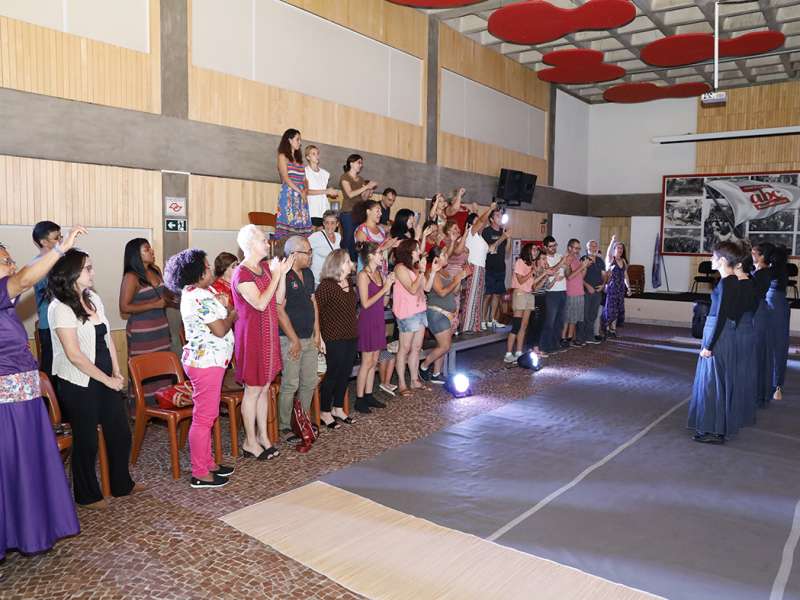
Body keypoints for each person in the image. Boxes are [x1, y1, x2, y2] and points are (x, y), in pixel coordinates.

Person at [0, 227, 84, 560]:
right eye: (5, 260)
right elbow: (22, 280)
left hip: (22, 399)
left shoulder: (6, 305)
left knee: (26, 469)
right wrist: (60, 249)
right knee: (12, 470)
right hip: (7, 405)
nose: (12, 264)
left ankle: (29, 532)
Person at [49, 248, 137, 507]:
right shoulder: (60, 307)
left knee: (120, 432)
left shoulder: (94, 299)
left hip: (104, 376)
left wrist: (117, 371)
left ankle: (122, 484)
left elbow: (107, 335)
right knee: (86, 439)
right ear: (71, 273)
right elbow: (75, 355)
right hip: (78, 382)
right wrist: (106, 380)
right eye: (87, 268)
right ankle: (87, 495)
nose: (92, 272)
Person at [165, 249, 236, 488]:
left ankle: (208, 463)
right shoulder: (198, 296)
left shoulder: (199, 292)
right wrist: (232, 315)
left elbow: (218, 312)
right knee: (204, 418)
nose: (210, 270)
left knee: (208, 415)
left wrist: (223, 307)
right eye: (206, 267)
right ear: (196, 273)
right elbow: (219, 329)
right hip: (206, 363)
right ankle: (200, 472)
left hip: (210, 361)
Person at [232, 225, 293, 460]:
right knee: (253, 389)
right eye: (263, 241)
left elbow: (277, 300)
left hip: (268, 335)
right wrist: (276, 275)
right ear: (249, 245)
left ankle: (263, 437)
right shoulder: (242, 273)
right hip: (252, 337)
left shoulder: (266, 268)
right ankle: (249, 441)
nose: (268, 244)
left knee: (265, 388)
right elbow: (258, 303)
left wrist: (283, 275)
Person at [688, 241, 743, 444]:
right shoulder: (730, 281)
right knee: (716, 383)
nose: (710, 259)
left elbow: (721, 316)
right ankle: (715, 428)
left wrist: (709, 345)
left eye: (713, 256)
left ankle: (713, 430)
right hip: (722, 333)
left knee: (712, 384)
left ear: (721, 260)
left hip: (718, 336)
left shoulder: (728, 282)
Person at [119, 238, 175, 407]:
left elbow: (165, 297)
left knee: (162, 368)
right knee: (145, 370)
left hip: (160, 329)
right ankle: (142, 410)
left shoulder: (156, 270)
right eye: (146, 249)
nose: (152, 251)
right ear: (136, 254)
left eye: (151, 248)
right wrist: (154, 304)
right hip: (142, 333)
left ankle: (162, 404)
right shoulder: (131, 277)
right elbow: (124, 307)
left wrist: (179, 299)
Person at [276, 236, 322, 437]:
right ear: (294, 254)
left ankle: (301, 419)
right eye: (308, 252)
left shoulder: (309, 274)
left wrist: (317, 333)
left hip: (308, 337)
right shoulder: (283, 276)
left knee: (309, 381)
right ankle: (285, 425)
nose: (311, 256)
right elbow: (279, 310)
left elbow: (313, 303)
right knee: (290, 383)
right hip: (289, 339)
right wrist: (293, 339)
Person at [315, 249, 358, 426]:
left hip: (350, 335)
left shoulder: (349, 282)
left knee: (345, 372)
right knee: (333, 373)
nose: (351, 264)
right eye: (347, 261)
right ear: (338, 264)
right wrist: (319, 337)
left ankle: (338, 407)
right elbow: (315, 311)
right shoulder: (326, 286)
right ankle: (325, 411)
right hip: (333, 336)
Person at [393, 239, 440, 395]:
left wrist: (432, 271)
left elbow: (426, 287)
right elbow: (412, 289)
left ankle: (414, 380)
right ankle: (401, 383)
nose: (420, 250)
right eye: (417, 248)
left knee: (416, 347)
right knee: (404, 348)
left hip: (420, 310)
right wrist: (420, 271)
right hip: (407, 312)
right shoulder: (400, 268)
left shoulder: (416, 268)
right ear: (409, 251)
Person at [355, 242, 394, 412]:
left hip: (378, 319)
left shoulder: (379, 273)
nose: (382, 256)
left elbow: (384, 302)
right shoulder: (363, 275)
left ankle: (369, 394)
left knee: (374, 360)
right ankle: (359, 398)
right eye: (379, 253)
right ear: (370, 256)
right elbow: (365, 303)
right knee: (366, 361)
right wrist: (384, 287)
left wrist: (388, 287)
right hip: (367, 320)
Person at [420, 246, 468, 383]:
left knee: (442, 345)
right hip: (437, 313)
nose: (447, 257)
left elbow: (455, 292)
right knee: (445, 346)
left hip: (448, 314)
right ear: (436, 258)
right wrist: (455, 280)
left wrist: (460, 279)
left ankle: (436, 373)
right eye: (444, 255)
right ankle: (423, 366)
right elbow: (441, 292)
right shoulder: (431, 273)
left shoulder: (446, 272)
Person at [505, 244, 552, 363]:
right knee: (516, 325)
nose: (536, 251)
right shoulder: (520, 262)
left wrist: (544, 274)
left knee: (524, 325)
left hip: (530, 294)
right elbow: (520, 280)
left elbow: (533, 284)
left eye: (537, 249)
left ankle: (519, 351)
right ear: (528, 250)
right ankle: (508, 353)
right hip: (520, 293)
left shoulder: (532, 265)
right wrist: (532, 272)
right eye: (534, 249)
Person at [31, 220, 62, 379]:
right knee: (50, 370)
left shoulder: (62, 260)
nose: (61, 241)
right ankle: (48, 403)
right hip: (49, 325)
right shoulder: (38, 265)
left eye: (61, 236)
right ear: (43, 242)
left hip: (66, 322)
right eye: (57, 238)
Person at [763, 244, 790, 401]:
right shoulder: (779, 268)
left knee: (777, 345)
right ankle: (775, 382)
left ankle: (776, 383)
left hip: (775, 305)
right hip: (777, 304)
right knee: (777, 344)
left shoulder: (773, 270)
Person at [461, 204, 494, 334]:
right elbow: (481, 221)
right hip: (473, 266)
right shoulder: (471, 232)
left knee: (478, 296)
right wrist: (490, 209)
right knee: (471, 296)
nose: (479, 223)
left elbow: (488, 249)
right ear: (471, 224)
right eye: (476, 221)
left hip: (481, 268)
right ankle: (467, 326)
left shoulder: (480, 238)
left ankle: (475, 325)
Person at [733, 253, 757, 429]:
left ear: (739, 265)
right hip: (747, 326)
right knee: (743, 370)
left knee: (737, 371)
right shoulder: (751, 281)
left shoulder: (741, 285)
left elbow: (735, 312)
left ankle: (736, 411)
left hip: (739, 329)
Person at [340, 154, 378, 259]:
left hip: (359, 212)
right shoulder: (345, 177)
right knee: (348, 239)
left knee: (358, 239)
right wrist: (366, 186)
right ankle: (346, 261)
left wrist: (369, 189)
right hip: (348, 212)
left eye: (361, 163)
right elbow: (350, 194)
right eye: (359, 162)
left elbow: (364, 198)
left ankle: (355, 262)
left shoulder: (361, 179)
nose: (361, 165)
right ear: (351, 163)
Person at [275, 128, 311, 240]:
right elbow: (285, 178)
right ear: (289, 140)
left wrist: (305, 190)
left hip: (301, 196)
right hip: (289, 195)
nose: (300, 142)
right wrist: (300, 192)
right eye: (297, 139)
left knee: (301, 230)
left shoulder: (299, 160)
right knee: (288, 229)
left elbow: (305, 180)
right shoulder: (282, 156)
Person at [751, 243, 774, 407]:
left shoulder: (762, 274)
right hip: (758, 309)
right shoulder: (760, 272)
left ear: (762, 256)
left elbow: (755, 295)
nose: (751, 255)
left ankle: (757, 392)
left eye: (754, 253)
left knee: (757, 352)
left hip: (757, 312)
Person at [482, 209, 511, 330]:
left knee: (497, 295)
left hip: (501, 268)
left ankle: (493, 319)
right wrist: (503, 237)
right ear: (491, 219)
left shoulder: (503, 232)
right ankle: (483, 320)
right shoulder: (487, 232)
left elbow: (508, 253)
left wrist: (508, 238)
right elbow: (490, 248)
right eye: (497, 215)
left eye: (501, 215)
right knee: (488, 295)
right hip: (489, 267)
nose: (500, 217)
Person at [539, 236, 568, 354]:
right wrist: (561, 263)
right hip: (551, 293)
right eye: (551, 246)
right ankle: (545, 346)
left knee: (559, 321)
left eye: (555, 245)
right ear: (545, 247)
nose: (554, 248)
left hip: (562, 290)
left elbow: (566, 272)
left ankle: (556, 344)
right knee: (549, 321)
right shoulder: (544, 259)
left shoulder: (559, 256)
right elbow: (549, 271)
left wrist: (566, 268)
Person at [354, 199, 397, 275]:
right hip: (367, 272)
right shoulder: (362, 230)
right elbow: (365, 254)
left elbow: (384, 254)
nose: (380, 214)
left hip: (382, 271)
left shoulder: (381, 230)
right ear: (368, 212)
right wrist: (385, 246)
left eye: (381, 211)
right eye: (377, 211)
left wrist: (391, 245)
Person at [577, 240, 606, 345]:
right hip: (585, 291)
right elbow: (578, 277)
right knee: (584, 315)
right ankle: (580, 338)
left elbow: (604, 275)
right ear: (587, 248)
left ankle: (589, 336)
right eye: (591, 246)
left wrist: (603, 285)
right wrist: (587, 286)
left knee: (593, 315)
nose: (593, 248)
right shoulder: (583, 259)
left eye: (595, 246)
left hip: (598, 292)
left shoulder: (600, 260)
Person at [304, 145, 338, 229]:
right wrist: (326, 191)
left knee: (322, 237)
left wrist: (331, 193)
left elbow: (325, 191)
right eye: (313, 154)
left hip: (323, 209)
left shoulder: (325, 173)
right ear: (308, 157)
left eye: (317, 153)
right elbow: (306, 191)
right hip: (311, 209)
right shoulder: (305, 171)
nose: (317, 156)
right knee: (310, 237)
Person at [603, 235, 631, 337]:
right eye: (618, 248)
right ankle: (606, 328)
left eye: (621, 248)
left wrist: (629, 287)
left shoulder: (623, 261)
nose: (620, 250)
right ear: (614, 249)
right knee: (610, 309)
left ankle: (613, 330)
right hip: (612, 288)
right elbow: (608, 252)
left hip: (621, 289)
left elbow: (625, 275)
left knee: (618, 309)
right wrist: (612, 241)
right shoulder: (610, 259)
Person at [563, 238, 589, 347]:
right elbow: (569, 276)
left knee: (575, 318)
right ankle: (563, 338)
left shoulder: (576, 259)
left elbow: (580, 276)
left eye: (579, 248)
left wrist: (585, 268)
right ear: (570, 248)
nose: (578, 250)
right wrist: (582, 267)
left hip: (579, 291)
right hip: (571, 292)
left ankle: (570, 338)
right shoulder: (568, 258)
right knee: (568, 317)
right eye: (576, 248)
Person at [308, 210, 341, 288]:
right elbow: (304, 248)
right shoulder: (316, 236)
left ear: (337, 224)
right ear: (323, 223)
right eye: (327, 222)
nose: (329, 226)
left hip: (333, 280)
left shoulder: (338, 236)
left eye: (332, 223)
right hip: (317, 282)